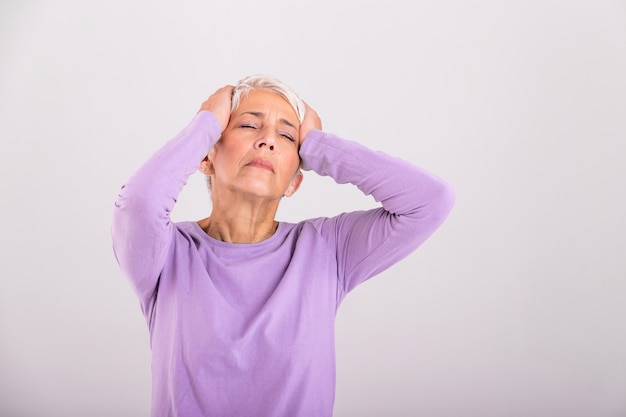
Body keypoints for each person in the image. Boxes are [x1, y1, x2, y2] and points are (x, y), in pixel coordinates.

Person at [111, 74, 455, 417]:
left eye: (288, 135)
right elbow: (140, 203)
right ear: (206, 157)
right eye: (248, 126)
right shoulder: (166, 253)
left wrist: (320, 145)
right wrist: (205, 124)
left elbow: (430, 201)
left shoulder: (327, 250)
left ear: (294, 182)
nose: (268, 141)